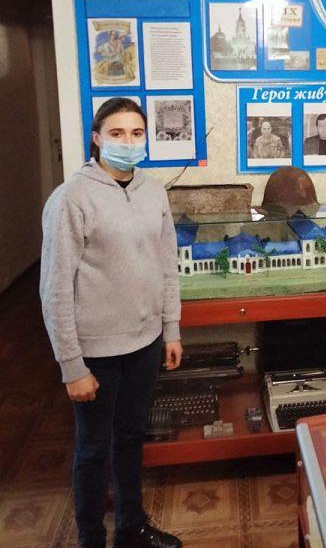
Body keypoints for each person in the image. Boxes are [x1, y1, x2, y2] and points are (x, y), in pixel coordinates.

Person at [39, 97, 183, 548]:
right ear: (97, 139)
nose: (128, 141)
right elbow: (55, 289)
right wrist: (72, 366)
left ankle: (130, 527)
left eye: (136, 133)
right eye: (117, 133)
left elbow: (167, 265)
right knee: (93, 448)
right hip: (95, 352)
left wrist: (171, 328)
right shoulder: (71, 199)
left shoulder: (153, 191)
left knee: (131, 437)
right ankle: (90, 538)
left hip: (145, 344)